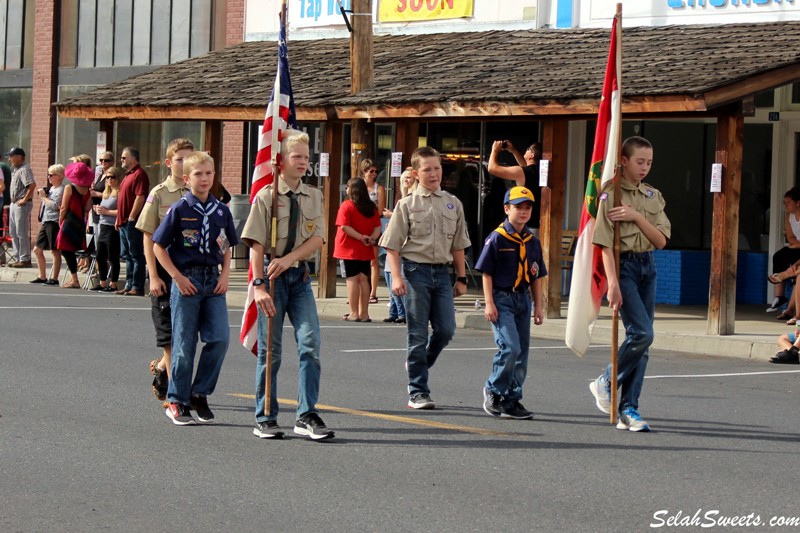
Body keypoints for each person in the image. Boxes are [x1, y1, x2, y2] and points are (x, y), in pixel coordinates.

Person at [241, 129, 334, 440]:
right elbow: (255, 243)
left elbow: (319, 239)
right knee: (271, 351)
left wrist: (291, 257)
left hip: (299, 277)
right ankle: (265, 416)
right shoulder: (267, 196)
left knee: (311, 346)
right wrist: (258, 284)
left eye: (307, 158)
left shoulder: (314, 195)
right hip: (272, 279)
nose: (303, 162)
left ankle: (307, 414)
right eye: (297, 157)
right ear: (279, 160)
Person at [589, 136, 671, 433]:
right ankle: (607, 381)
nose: (645, 167)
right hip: (623, 268)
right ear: (623, 160)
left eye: (649, 162)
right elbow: (604, 244)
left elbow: (661, 241)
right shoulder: (611, 195)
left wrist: (636, 217)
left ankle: (629, 408)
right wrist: (612, 282)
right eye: (640, 161)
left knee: (644, 343)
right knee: (642, 333)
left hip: (647, 266)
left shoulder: (651, 196)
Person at [379, 146, 471, 410]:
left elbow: (458, 244)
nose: (434, 174)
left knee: (446, 330)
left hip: (442, 274)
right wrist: (396, 278)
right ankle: (418, 390)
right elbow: (392, 246)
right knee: (417, 334)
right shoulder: (407, 205)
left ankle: (418, 362)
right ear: (416, 173)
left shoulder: (453, 203)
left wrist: (461, 278)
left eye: (437, 168)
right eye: (427, 169)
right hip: (414, 272)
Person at [152, 151, 237, 426]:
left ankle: (199, 392)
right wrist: (176, 277)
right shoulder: (179, 209)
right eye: (198, 174)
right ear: (187, 179)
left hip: (213, 281)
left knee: (220, 338)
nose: (204, 179)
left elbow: (226, 246)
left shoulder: (221, 210)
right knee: (184, 343)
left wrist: (225, 275)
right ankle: (176, 401)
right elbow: (158, 246)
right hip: (187, 280)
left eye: (209, 173)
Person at [475, 186, 546, 420]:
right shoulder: (496, 238)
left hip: (522, 299)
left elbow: (536, 276)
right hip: (501, 298)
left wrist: (538, 306)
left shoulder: (532, 241)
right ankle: (494, 389)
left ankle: (512, 399)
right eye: (518, 207)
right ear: (506, 209)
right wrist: (489, 303)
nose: (523, 212)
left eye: (527, 207)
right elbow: (487, 273)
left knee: (522, 352)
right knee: (510, 347)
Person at [136, 138, 193, 402]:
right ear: (169, 163)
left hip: (191, 272)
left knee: (187, 335)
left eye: (189, 158)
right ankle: (176, 394)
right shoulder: (159, 193)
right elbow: (148, 236)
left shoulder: (199, 191)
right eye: (180, 159)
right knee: (170, 336)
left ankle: (161, 367)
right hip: (164, 271)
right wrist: (154, 275)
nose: (185, 164)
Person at [334, 178, 382, 322]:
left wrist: (361, 237)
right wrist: (370, 239)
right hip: (365, 247)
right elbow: (377, 227)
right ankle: (364, 313)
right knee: (363, 279)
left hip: (349, 247)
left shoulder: (347, 205)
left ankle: (354, 313)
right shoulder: (372, 207)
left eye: (348, 186)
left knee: (352, 279)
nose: (346, 189)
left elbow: (344, 227)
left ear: (352, 189)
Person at [381, 167, 415, 324]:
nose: (407, 180)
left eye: (409, 177)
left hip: (405, 247)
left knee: (397, 278)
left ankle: (402, 312)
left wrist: (391, 215)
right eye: (404, 178)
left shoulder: (415, 198)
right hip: (394, 243)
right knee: (389, 276)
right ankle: (394, 311)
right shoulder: (402, 198)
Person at [487, 141, 542, 234]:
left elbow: (492, 168)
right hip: (535, 224)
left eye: (528, 149)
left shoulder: (522, 172)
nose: (526, 150)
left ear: (532, 155)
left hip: (523, 226)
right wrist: (513, 150)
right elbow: (525, 167)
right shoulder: (539, 171)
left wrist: (494, 150)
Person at [116, 147, 149, 296]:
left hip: (132, 222)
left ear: (133, 159)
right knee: (127, 255)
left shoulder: (139, 174)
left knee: (136, 254)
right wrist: (119, 219)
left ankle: (137, 285)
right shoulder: (127, 175)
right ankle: (129, 284)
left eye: (124, 157)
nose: (121, 160)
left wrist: (132, 216)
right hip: (123, 221)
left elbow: (140, 196)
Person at [56, 162, 93, 289]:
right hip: (79, 222)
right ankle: (74, 278)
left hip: (69, 221)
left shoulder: (69, 188)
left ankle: (74, 279)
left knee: (66, 250)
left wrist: (60, 221)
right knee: (71, 250)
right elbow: (88, 207)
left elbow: (64, 207)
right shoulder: (87, 190)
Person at [29, 165, 65, 285]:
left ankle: (54, 278)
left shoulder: (61, 190)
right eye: (48, 175)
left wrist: (44, 198)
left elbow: (56, 206)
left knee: (54, 251)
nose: (49, 177)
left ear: (59, 177)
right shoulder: (52, 189)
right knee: (37, 250)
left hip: (53, 222)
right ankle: (42, 276)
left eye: (51, 175)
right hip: (46, 221)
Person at [766, 187, 800, 313]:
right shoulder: (789, 215)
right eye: (784, 203)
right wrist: (796, 244)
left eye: (788, 202)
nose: (786, 205)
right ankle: (780, 296)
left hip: (798, 247)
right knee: (779, 256)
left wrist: (796, 244)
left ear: (798, 203)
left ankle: (792, 309)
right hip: (796, 246)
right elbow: (790, 238)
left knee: (795, 268)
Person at [90, 166, 124, 292]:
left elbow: (121, 212)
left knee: (113, 256)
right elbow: (104, 209)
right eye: (108, 177)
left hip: (112, 227)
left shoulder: (120, 193)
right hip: (103, 225)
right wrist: (98, 210)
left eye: (112, 177)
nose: (110, 180)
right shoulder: (106, 192)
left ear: (118, 178)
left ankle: (113, 284)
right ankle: (103, 282)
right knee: (100, 256)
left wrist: (107, 211)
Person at [359, 158, 385, 304]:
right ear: (364, 172)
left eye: (376, 171)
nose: (374, 174)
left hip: (374, 224)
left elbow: (380, 209)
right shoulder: (358, 186)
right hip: (359, 226)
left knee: (373, 261)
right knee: (358, 260)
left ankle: (373, 292)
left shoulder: (378, 188)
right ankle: (358, 291)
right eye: (371, 171)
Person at [6, 147, 36, 268]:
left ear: (19, 157)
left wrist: (24, 199)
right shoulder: (15, 169)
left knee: (21, 231)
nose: (10, 159)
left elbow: (32, 185)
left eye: (12, 156)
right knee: (13, 232)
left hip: (22, 203)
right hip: (14, 203)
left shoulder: (24, 169)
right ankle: (18, 257)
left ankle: (25, 258)